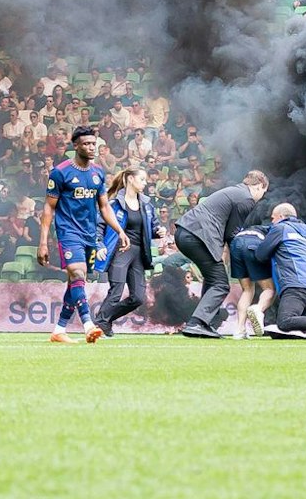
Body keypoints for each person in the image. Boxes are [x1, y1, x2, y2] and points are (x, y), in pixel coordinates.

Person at [38, 125, 123, 344]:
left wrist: (119, 230)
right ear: (75, 146)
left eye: (94, 143)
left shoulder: (98, 173)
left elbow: (104, 207)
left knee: (76, 281)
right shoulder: (60, 172)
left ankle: (59, 330)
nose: (91, 147)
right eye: (86, 144)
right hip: (68, 232)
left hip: (89, 235)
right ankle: (88, 325)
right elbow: (48, 207)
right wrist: (43, 242)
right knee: (77, 274)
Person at [170, 170, 269, 338]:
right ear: (260, 186)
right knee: (221, 283)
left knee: (212, 279)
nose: (261, 197)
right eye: (263, 192)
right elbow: (232, 234)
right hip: (198, 236)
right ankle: (197, 323)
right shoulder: (247, 199)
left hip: (185, 233)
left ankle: (206, 323)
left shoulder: (235, 191)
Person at [90, 166, 160, 337]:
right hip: (120, 251)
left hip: (139, 254)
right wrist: (100, 245)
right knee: (116, 291)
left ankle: (103, 319)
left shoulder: (147, 205)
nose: (145, 183)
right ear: (130, 179)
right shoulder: (113, 204)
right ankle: (101, 323)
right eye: (142, 179)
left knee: (138, 298)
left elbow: (153, 227)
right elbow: (99, 226)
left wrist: (159, 231)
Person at [253, 203, 306, 338]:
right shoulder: (301, 235)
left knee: (285, 321)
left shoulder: (280, 228)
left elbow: (260, 255)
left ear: (281, 217)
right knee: (282, 328)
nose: (272, 222)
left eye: (273, 218)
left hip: (295, 287)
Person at [227, 222, 273, 339]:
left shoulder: (245, 228)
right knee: (269, 289)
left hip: (235, 244)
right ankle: (258, 309)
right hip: (253, 243)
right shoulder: (273, 228)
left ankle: (239, 330)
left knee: (247, 290)